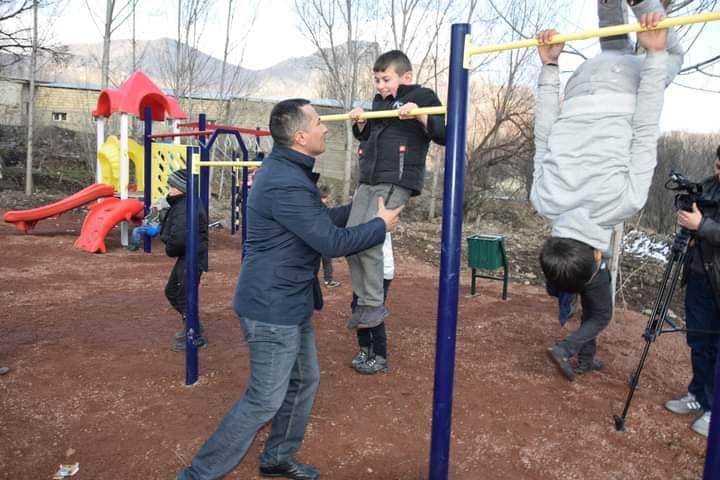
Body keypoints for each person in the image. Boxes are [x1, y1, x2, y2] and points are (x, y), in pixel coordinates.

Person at [176, 98, 403, 480]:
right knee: (264, 398)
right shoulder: (286, 181)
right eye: (318, 123)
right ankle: (197, 475)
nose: (325, 128)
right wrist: (379, 226)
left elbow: (315, 221)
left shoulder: (289, 173)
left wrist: (361, 210)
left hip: (289, 302)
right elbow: (330, 241)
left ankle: (277, 458)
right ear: (300, 136)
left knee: (304, 381)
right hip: (271, 308)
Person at [531, 0, 684, 381]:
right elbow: (544, 133)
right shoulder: (542, 200)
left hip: (625, 87)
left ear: (598, 254)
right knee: (615, 47)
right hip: (581, 82)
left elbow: (645, 127)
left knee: (674, 54)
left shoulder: (625, 202)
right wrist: (549, 67)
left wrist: (656, 56)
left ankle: (645, 4)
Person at [347, 49, 446, 330]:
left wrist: (420, 116)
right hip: (369, 178)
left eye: (386, 79)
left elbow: (443, 134)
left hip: (396, 179)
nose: (380, 86)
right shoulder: (379, 102)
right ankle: (363, 300)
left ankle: (373, 303)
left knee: (369, 238)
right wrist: (361, 123)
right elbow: (368, 137)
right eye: (377, 80)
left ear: (406, 77)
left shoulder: (423, 96)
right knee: (351, 241)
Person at [665, 146, 720, 438]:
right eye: (718, 164)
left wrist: (702, 226)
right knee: (699, 340)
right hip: (700, 275)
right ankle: (698, 394)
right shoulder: (708, 186)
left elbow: (706, 227)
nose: (718, 171)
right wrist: (688, 226)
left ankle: (715, 410)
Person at [159, 169, 209, 352]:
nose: (169, 190)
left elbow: (179, 238)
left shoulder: (185, 207)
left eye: (172, 187)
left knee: (180, 293)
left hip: (192, 255)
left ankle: (194, 334)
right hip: (191, 254)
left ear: (182, 188)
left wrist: (169, 246)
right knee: (174, 291)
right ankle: (193, 325)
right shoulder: (183, 204)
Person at [351, 233, 394, 374]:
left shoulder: (380, 219)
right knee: (358, 308)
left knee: (373, 313)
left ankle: (380, 357)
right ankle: (365, 349)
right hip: (363, 269)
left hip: (379, 271)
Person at [318, 185, 340, 288]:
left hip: (312, 238)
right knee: (327, 260)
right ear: (327, 196)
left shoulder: (313, 205)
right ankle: (328, 280)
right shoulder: (324, 209)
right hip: (323, 238)